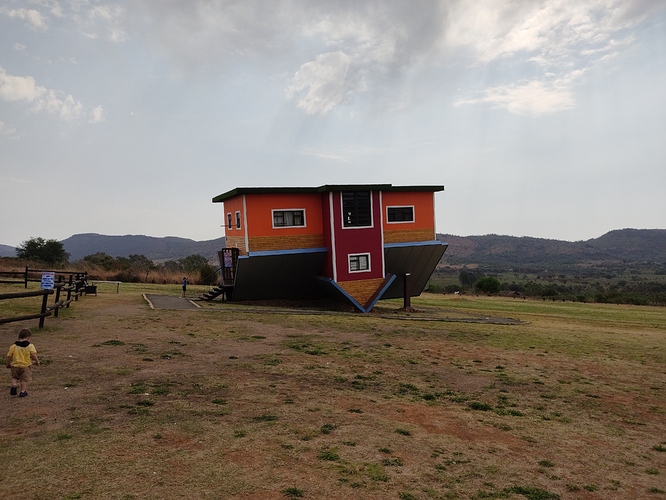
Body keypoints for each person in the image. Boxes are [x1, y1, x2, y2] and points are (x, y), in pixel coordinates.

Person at [6, 328, 40, 398]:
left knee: (14, 377)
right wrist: (37, 361)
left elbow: (9, 356)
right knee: (23, 379)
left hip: (15, 365)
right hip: (25, 366)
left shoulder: (13, 346)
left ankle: (14, 385)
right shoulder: (30, 346)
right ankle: (23, 391)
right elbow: (33, 354)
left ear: (18, 337)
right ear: (28, 337)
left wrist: (8, 363)